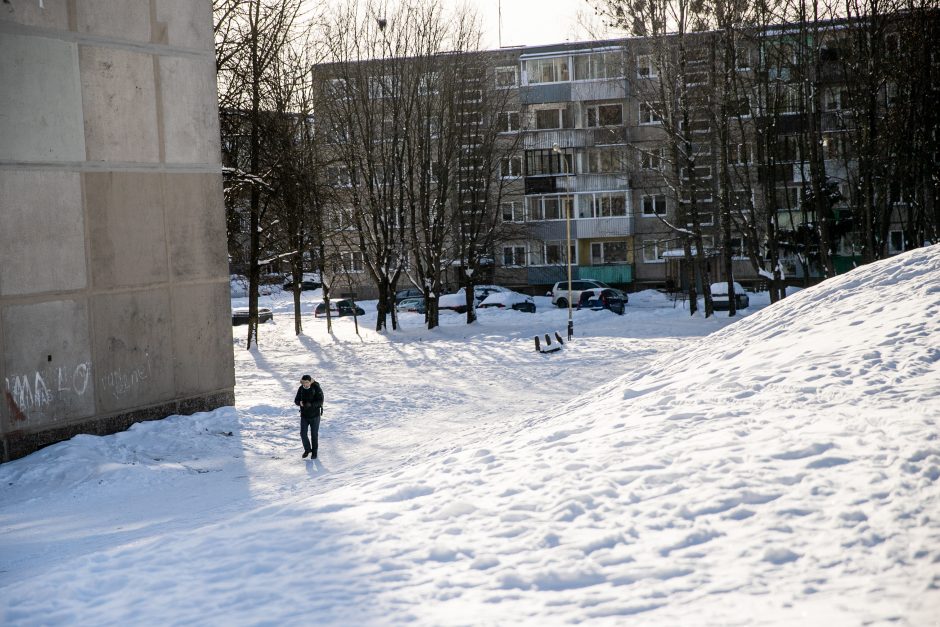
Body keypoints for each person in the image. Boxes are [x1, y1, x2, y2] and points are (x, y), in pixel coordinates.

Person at [294, 374, 323, 459]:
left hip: (315, 416)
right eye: (304, 382)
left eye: (307, 382)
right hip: (304, 416)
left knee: (314, 434)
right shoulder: (301, 389)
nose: (305, 384)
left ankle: (314, 452)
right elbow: (296, 400)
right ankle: (307, 449)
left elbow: (320, 401)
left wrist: (310, 405)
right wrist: (300, 403)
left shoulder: (316, 388)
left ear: (310, 382)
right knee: (303, 434)